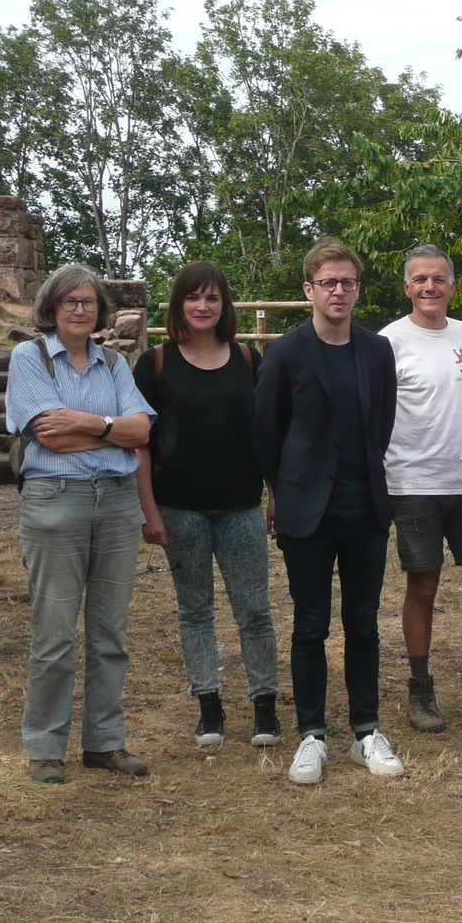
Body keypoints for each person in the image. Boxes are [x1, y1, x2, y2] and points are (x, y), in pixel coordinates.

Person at [254, 238, 404, 785]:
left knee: (363, 624)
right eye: (328, 282)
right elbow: (266, 431)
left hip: (365, 507)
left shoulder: (377, 350)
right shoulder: (285, 352)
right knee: (310, 625)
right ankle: (312, 735)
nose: (338, 291)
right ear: (309, 289)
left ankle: (366, 731)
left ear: (357, 289)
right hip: (306, 512)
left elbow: (382, 423)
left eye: (347, 282)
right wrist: (280, 490)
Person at [6, 264, 155, 783]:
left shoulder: (113, 362)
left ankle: (104, 743)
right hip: (55, 501)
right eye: (69, 301)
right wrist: (114, 432)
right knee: (54, 636)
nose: (79, 310)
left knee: (110, 634)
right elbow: (48, 435)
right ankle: (46, 747)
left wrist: (89, 423)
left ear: (100, 310)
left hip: (116, 502)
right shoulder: (29, 358)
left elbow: (142, 432)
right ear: (51, 307)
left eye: (89, 301)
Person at [135, 260, 281, 750]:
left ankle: (264, 705)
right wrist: (149, 511)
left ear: (225, 305)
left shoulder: (247, 359)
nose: (203, 306)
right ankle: (209, 705)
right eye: (193, 297)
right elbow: (139, 444)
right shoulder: (155, 362)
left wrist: (275, 495)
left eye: (212, 297)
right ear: (179, 303)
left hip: (241, 506)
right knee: (195, 610)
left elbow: (265, 434)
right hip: (180, 509)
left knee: (254, 610)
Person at [378, 244, 462, 732]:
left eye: (438, 279)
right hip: (413, 483)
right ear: (406, 287)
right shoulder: (389, 341)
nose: (429, 287)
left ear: (452, 286)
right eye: (420, 279)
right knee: (423, 585)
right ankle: (420, 689)